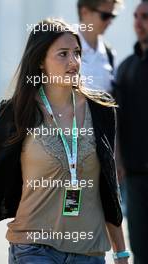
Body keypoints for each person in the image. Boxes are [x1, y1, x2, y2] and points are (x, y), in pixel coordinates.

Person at [0, 19, 130, 264]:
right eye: (63, 54)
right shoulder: (18, 112)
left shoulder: (101, 110)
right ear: (40, 61)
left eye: (77, 53)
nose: (73, 62)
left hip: (90, 252)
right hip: (34, 249)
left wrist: (121, 252)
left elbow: (108, 187)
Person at [113, 1, 148, 263]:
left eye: (145, 17)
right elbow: (117, 120)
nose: (138, 22)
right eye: (136, 16)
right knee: (141, 246)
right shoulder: (125, 68)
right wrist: (118, 160)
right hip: (137, 178)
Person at [77, 0, 123, 92]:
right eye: (105, 16)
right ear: (84, 12)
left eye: (112, 16)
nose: (110, 22)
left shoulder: (109, 53)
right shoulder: (62, 47)